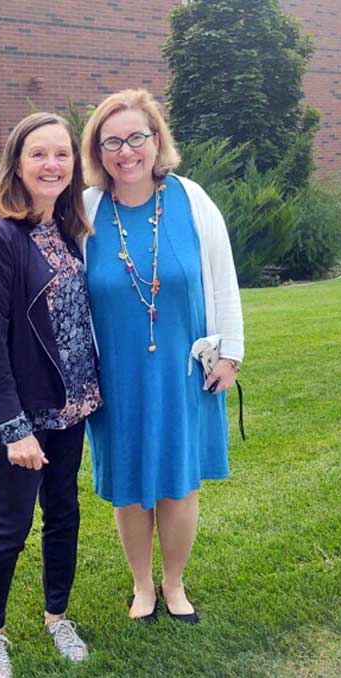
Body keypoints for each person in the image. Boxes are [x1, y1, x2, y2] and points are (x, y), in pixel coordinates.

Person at [80, 89, 244, 624]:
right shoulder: (85, 210)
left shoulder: (192, 199)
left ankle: (174, 585)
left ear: (156, 141)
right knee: (129, 485)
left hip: (181, 370)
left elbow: (223, 280)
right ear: (98, 151)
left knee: (178, 481)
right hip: (115, 374)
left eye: (136, 138)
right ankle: (142, 586)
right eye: (112, 142)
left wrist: (231, 355)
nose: (126, 152)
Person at [0, 112, 102, 678]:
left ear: (74, 165)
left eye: (62, 155)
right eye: (38, 154)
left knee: (64, 513)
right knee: (13, 522)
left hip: (73, 403)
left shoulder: (68, 229)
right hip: (22, 411)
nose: (52, 165)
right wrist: (13, 427)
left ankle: (56, 616)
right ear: (17, 165)